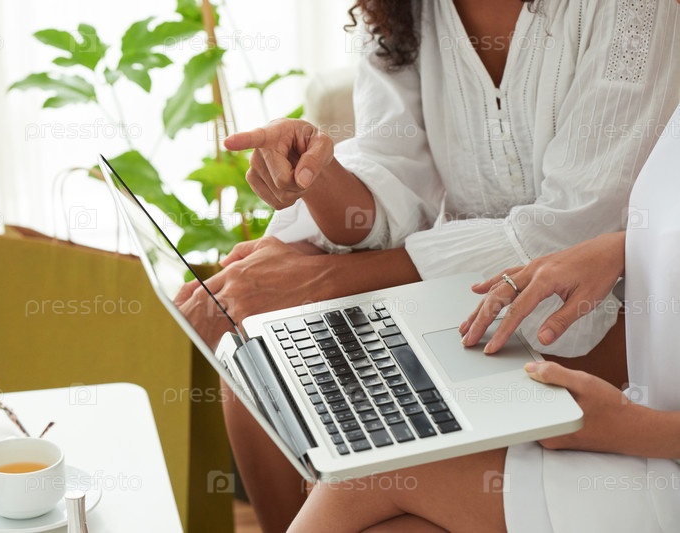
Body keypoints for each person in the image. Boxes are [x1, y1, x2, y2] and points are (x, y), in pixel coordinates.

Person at [174, 0, 680, 530]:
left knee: (359, 459)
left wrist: (321, 281)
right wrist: (316, 177)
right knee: (259, 361)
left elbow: (566, 234)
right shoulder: (398, 10)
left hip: (596, 326)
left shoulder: (632, 10)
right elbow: (392, 176)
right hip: (463, 304)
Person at [289, 69, 680, 533]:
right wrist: (622, 249)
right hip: (653, 432)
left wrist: (627, 426)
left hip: (657, 446)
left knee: (368, 468)